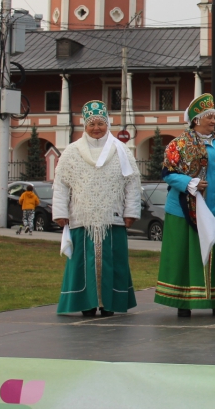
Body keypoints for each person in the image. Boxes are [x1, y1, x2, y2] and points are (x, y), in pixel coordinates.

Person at [155, 93, 215, 317]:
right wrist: (190, 183)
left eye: (214, 116)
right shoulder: (178, 144)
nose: (213, 120)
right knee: (186, 255)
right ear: (196, 119)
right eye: (209, 116)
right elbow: (167, 173)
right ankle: (183, 302)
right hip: (185, 211)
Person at [53, 100, 141, 317]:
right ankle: (87, 304)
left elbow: (132, 182)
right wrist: (60, 213)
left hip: (113, 217)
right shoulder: (71, 152)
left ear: (107, 124)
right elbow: (61, 184)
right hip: (81, 218)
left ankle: (110, 304)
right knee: (83, 263)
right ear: (85, 125)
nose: (96, 128)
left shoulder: (121, 150)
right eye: (91, 124)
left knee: (113, 262)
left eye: (100, 123)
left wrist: (131, 211)